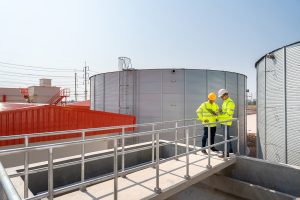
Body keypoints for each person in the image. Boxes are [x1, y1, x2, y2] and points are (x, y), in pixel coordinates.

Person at [217, 89, 235, 158]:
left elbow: (228, 114)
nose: (221, 98)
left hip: (226, 122)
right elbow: (224, 112)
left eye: (222, 96)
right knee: (227, 137)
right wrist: (220, 111)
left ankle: (226, 153)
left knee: (225, 138)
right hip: (223, 122)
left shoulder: (230, 103)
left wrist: (218, 115)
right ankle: (230, 151)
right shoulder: (225, 102)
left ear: (226, 95)